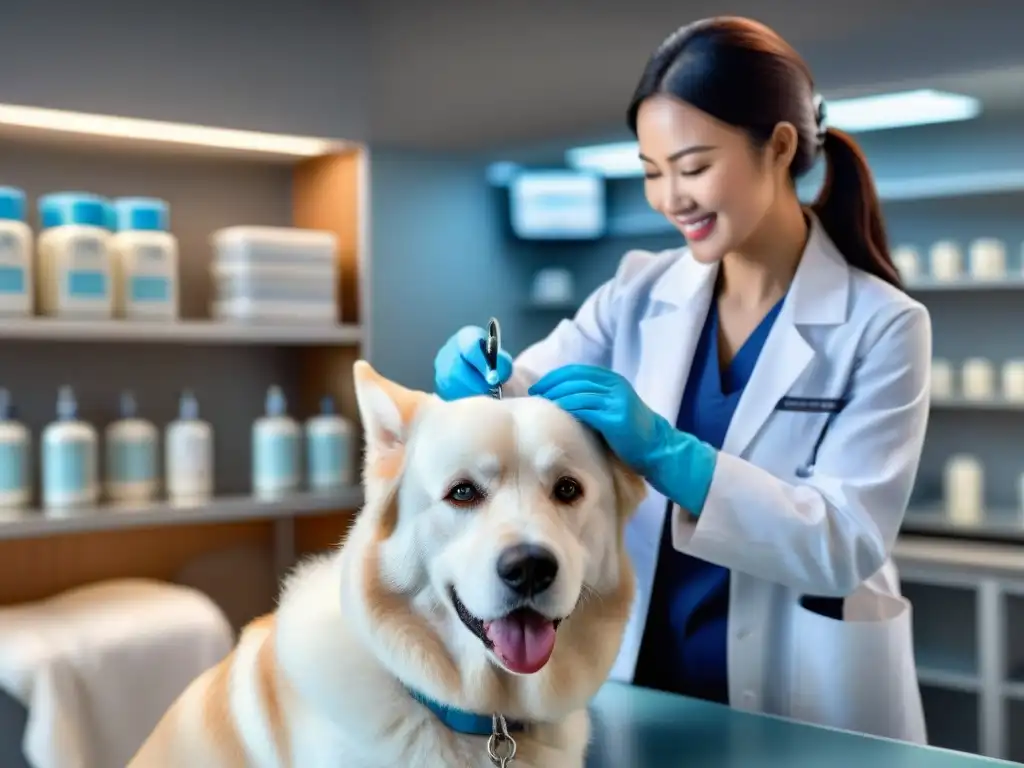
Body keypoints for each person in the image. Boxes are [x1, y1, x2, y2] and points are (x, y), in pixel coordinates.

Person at [432, 16, 931, 744]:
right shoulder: (639, 291)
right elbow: (523, 396)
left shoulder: (882, 325)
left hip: (797, 693)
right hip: (643, 678)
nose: (670, 198)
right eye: (651, 171)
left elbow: (845, 542)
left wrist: (674, 457)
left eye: (693, 168)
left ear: (779, 147)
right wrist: (482, 381)